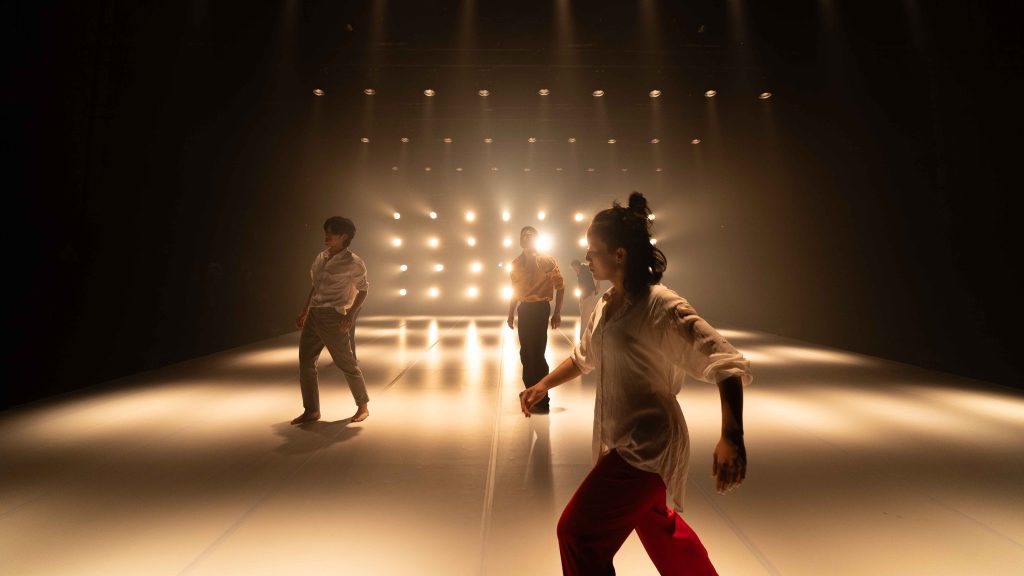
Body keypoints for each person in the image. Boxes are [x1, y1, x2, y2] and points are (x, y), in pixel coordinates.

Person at [519, 192, 751, 575]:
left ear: (619, 254)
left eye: (594, 250)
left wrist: (732, 436)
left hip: (648, 446)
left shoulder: (661, 306)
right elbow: (583, 357)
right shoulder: (607, 304)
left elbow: (725, 362)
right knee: (661, 530)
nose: (587, 257)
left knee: (578, 535)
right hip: (623, 438)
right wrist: (542, 384)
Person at [291, 216, 370, 425]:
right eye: (326, 231)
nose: (327, 235)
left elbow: (363, 290)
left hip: (334, 316)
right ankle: (311, 410)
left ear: (344, 236)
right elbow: (316, 286)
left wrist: (350, 315)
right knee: (306, 362)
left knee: (346, 363)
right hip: (314, 314)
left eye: (332, 232)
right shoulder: (321, 257)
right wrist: (305, 310)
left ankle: (363, 406)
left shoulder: (353, 262)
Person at [507, 226, 565, 414]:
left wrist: (557, 313)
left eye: (530, 235)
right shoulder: (516, 263)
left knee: (537, 354)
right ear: (520, 240)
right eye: (523, 235)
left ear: (537, 239)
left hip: (540, 308)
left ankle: (542, 399)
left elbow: (560, 286)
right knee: (525, 353)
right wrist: (511, 312)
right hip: (524, 309)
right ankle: (530, 393)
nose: (526, 238)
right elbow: (514, 291)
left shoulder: (546, 260)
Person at [570, 258, 600, 329]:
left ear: (576, 265)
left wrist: (598, 285)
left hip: (589, 294)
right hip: (584, 295)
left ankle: (584, 334)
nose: (573, 270)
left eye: (573, 268)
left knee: (585, 317)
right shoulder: (579, 272)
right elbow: (581, 285)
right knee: (585, 316)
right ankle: (586, 333)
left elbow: (597, 271)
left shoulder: (585, 268)